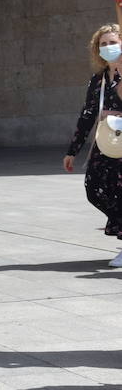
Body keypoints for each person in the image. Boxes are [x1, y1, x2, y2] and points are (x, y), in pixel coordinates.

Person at [65, 24, 122, 265]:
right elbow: (87, 115)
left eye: (113, 42)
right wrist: (72, 151)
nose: (108, 47)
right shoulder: (97, 80)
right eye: (104, 44)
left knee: (120, 191)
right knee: (94, 186)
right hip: (106, 141)